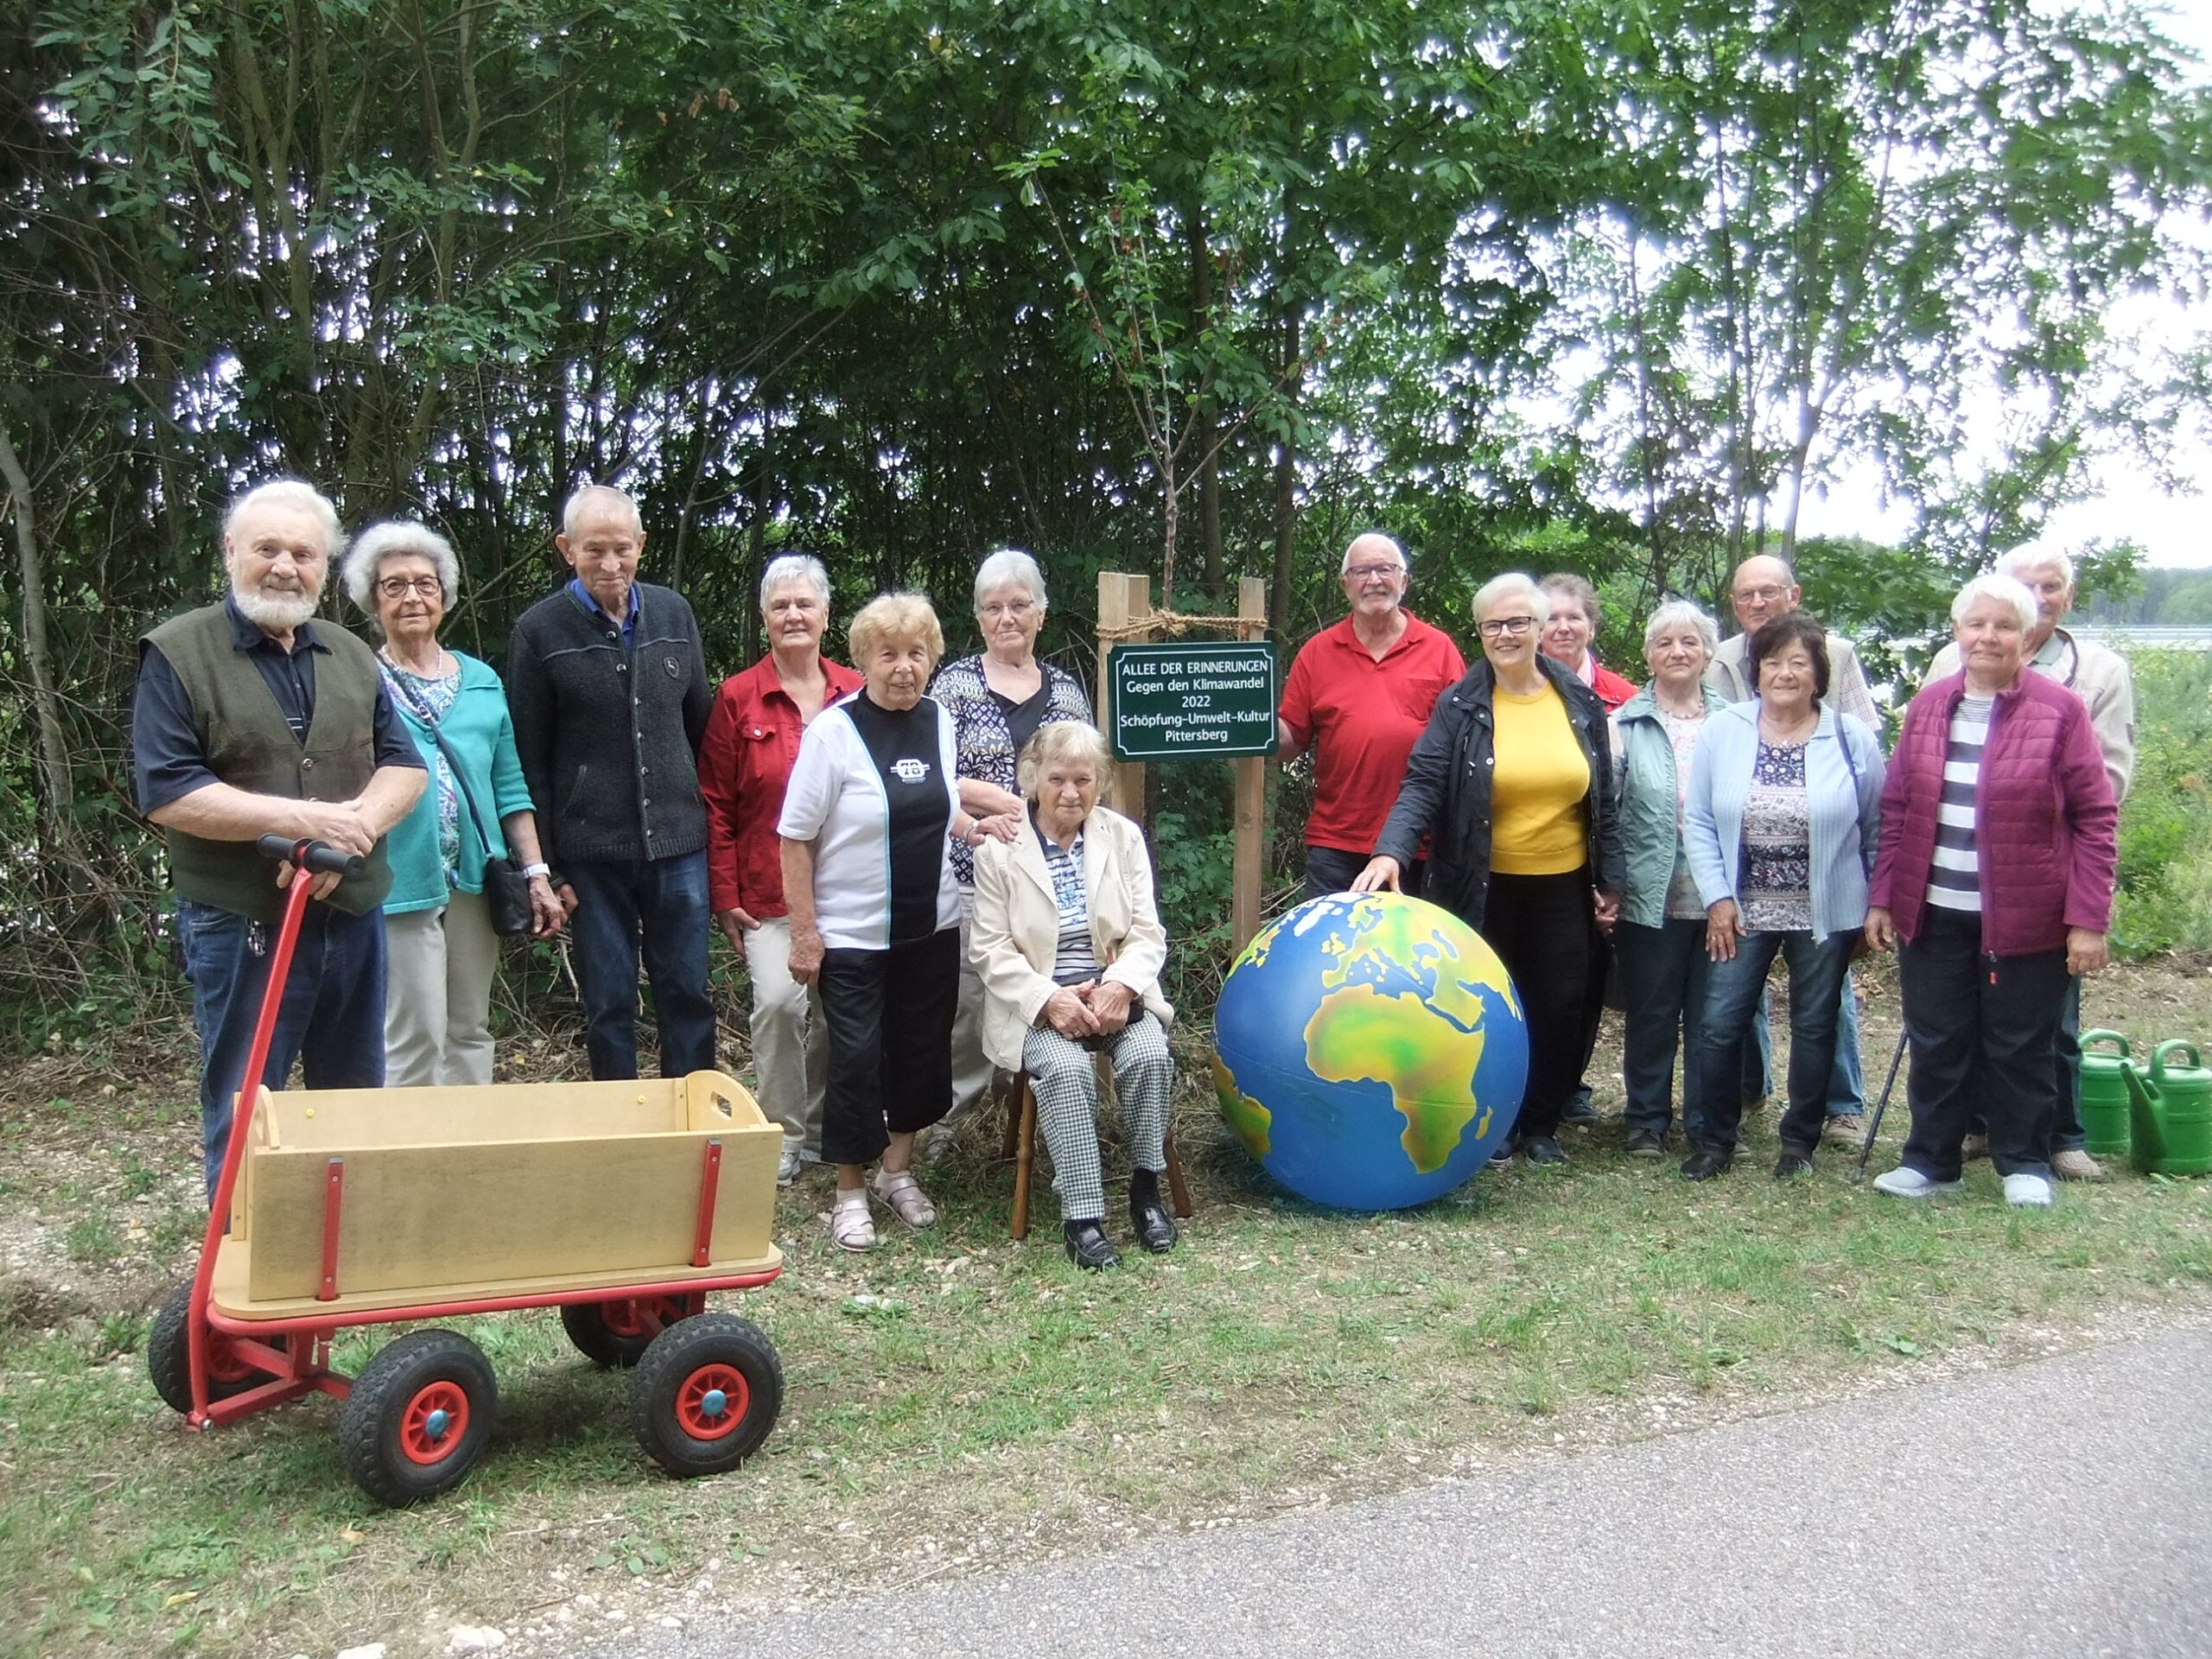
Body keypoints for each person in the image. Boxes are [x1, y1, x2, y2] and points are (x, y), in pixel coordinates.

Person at [132, 480, 427, 1196]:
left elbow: (405, 765)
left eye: (304, 553)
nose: (285, 566)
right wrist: (304, 824)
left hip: (351, 915)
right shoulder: (177, 653)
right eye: (267, 548)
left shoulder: (352, 653)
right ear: (231, 551)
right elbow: (168, 790)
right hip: (242, 923)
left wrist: (353, 833)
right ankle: (238, 1268)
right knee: (245, 1103)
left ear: (325, 569)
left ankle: (339, 1256)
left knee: (353, 1098)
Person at [1355, 572, 1624, 1166]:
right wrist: (1390, 850)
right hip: (1482, 883)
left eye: (1518, 622)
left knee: (1560, 1005)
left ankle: (1541, 1125)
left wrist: (1613, 880)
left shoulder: (1578, 700)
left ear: (1539, 628)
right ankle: (1494, 1122)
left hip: (1565, 883)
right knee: (1485, 1006)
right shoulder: (1461, 705)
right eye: (1493, 625)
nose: (1506, 634)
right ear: (1479, 633)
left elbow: (1603, 793)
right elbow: (1422, 781)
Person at [1866, 574, 2118, 1209]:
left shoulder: (2061, 711)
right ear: (1957, 633)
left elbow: (2095, 818)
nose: (1988, 636)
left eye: (2004, 626)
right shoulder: (1928, 707)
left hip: (2028, 916)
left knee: (2020, 1045)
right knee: (1938, 1041)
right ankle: (1930, 1162)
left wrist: (2089, 920)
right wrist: (1883, 898)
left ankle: (2024, 1161)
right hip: (1933, 909)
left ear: (2027, 637)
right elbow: (1897, 808)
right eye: (1976, 624)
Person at [779, 594, 1018, 1251]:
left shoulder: (939, 722)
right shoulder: (833, 733)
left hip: (932, 926)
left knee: (920, 1053)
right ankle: (848, 1192)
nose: (904, 668)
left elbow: (935, 808)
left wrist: (976, 828)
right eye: (888, 654)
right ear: (863, 660)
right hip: (853, 935)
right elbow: (794, 838)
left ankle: (897, 1172)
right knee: (855, 1062)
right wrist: (805, 932)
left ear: (932, 659)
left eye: (916, 653)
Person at [1926, 540, 2135, 1182]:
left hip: (2042, 878)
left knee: (2043, 1026)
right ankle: (1971, 1135)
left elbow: (2104, 793)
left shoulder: (2090, 677)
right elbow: (1918, 787)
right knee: (1955, 1026)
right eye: (2026, 586)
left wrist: (2084, 908)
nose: (2039, 598)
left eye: (2051, 588)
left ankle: (2054, 1141)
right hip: (1955, 887)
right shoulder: (1943, 676)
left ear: (2066, 597)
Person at [344, 521, 566, 1087]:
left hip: (475, 877)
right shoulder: (356, 681)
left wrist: (536, 873)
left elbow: (509, 785)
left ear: (444, 594)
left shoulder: (482, 679)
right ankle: (411, 1166)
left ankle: (467, 1158)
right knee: (413, 1031)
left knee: (470, 1026)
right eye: (394, 585)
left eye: (425, 583)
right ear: (372, 600)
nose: (412, 596)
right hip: (398, 879)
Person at [506, 484, 715, 1082]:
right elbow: (530, 759)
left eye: (621, 549)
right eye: (593, 550)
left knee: (687, 995)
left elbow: (701, 729)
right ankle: (621, 1136)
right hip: (590, 856)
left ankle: (693, 1130)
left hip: (678, 846)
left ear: (641, 546)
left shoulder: (674, 614)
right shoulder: (538, 632)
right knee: (608, 1003)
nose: (609, 564)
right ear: (566, 548)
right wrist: (552, 869)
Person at [1681, 613, 1885, 1180]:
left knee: (1816, 1023)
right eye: (1773, 661)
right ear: (1757, 670)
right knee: (1721, 1023)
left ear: (1819, 673)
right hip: (1740, 910)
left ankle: (1799, 1143)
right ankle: (1716, 1142)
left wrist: (1875, 906)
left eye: (1799, 662)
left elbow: (1877, 827)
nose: (1785, 673)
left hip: (1826, 910)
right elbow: (1697, 819)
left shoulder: (1851, 737)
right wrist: (1717, 898)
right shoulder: (1726, 731)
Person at [970, 722, 1179, 1269]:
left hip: (1115, 994)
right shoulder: (1000, 849)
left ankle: (1145, 1189)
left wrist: (1120, 987)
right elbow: (991, 949)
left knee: (1151, 1055)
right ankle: (1082, 1217)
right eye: (1057, 778)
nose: (1070, 792)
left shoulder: (1121, 836)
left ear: (1100, 782)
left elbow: (1146, 932)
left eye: (1083, 780)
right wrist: (1052, 999)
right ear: (1033, 780)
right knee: (1066, 1072)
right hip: (1039, 1007)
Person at [698, 554, 863, 1185]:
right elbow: (714, 801)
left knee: (835, 1012)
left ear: (826, 614)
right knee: (777, 1006)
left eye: (805, 604)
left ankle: (823, 1131)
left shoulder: (857, 691)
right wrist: (724, 890)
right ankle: (783, 1135)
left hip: (848, 890)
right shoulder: (739, 696)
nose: (793, 615)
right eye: (780, 605)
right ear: (764, 618)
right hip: (766, 893)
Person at [928, 550, 1094, 1135]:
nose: (1007, 618)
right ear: (979, 620)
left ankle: (1023, 1121)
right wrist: (1003, 801)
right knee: (972, 1001)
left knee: (1045, 990)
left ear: (1040, 615)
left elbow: (1085, 780)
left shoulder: (1069, 693)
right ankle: (952, 1130)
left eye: (1019, 606)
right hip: (973, 872)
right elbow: (929, 771)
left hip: (1054, 884)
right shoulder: (952, 686)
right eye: (994, 608)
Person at [1278, 534, 1465, 900]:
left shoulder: (1439, 649)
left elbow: (1461, 746)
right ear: (1345, 584)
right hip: (1336, 842)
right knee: (1333, 953)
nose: (1374, 580)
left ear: (1404, 580)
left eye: (1384, 569)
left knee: (1412, 954)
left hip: (1421, 843)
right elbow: (1289, 745)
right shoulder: (1317, 652)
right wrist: (1247, 723)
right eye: (1362, 571)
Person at [1609, 601, 1729, 1158]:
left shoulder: (1736, 722)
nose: (1677, 652)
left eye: (1690, 642)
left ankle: (1708, 1125)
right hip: (1648, 895)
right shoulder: (1624, 723)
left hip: (1721, 899)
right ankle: (1647, 1123)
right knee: (1654, 1012)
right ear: (1648, 655)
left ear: (1708, 652)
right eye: (1665, 643)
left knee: (1714, 1017)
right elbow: (1606, 811)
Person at [1540, 573, 1637, 710]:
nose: (1563, 628)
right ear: (1537, 629)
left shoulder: (1624, 698)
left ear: (1591, 628)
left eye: (1574, 618)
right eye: (1552, 618)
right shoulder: (1514, 691)